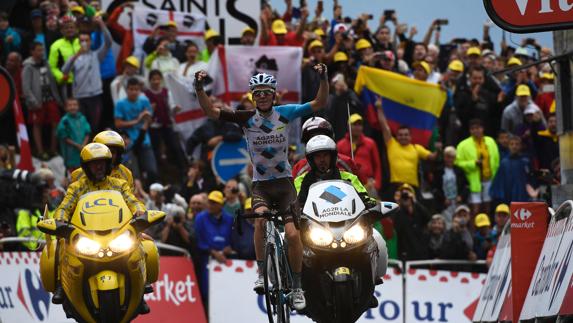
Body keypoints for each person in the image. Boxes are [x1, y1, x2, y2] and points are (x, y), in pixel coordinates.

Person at [194, 62, 329, 310]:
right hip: (261, 186)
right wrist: (199, 88)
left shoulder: (285, 113)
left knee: (292, 234)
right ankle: (260, 272)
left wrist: (323, 79)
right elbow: (212, 112)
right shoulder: (246, 118)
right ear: (252, 97)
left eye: (267, 92)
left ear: (274, 95)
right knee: (259, 221)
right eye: (258, 93)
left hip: (284, 184)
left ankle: (298, 287)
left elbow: (318, 104)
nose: (263, 96)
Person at [293, 135, 387, 307]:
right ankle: (296, 287)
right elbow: (295, 204)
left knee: (377, 240)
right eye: (318, 156)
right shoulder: (300, 181)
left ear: (333, 156)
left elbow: (365, 198)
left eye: (325, 155)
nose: (322, 160)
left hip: (347, 228)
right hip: (315, 229)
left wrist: (374, 205)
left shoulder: (348, 177)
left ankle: (372, 282)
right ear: (311, 160)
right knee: (290, 241)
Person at [52, 143, 145, 304]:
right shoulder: (77, 187)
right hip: (86, 235)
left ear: (108, 164)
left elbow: (133, 201)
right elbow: (64, 207)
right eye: (94, 163)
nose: (99, 166)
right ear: (86, 167)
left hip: (116, 233)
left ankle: (142, 287)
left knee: (144, 244)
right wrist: (59, 219)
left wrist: (140, 211)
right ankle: (60, 283)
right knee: (61, 243)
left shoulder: (119, 184)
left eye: (102, 162)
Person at [61, 16, 111, 131]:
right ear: (78, 42)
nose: (84, 43)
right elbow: (64, 71)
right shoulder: (74, 57)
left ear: (90, 41)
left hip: (95, 96)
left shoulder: (96, 55)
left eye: (86, 40)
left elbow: (108, 43)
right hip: (80, 97)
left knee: (94, 127)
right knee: (82, 128)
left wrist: (102, 25)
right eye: (82, 40)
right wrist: (76, 55)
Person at [378, 100, 439, 190]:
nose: (403, 137)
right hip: (395, 186)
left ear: (410, 137)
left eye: (406, 135)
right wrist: (379, 108)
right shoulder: (391, 144)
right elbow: (384, 125)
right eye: (401, 135)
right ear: (397, 136)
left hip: (413, 187)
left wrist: (438, 149)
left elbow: (432, 157)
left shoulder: (416, 148)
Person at [22, 41, 63, 160]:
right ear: (32, 52)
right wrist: (33, 101)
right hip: (37, 101)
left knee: (55, 123)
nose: (41, 52)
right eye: (38, 50)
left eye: (42, 50)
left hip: (50, 98)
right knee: (37, 125)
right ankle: (40, 151)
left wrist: (57, 99)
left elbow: (52, 82)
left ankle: (53, 149)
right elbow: (26, 87)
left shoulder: (46, 63)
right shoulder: (27, 66)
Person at [291, 116, 362, 183]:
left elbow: (360, 186)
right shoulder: (299, 167)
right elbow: (293, 193)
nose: (318, 140)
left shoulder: (346, 162)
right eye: (313, 137)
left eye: (322, 136)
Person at [143, 69, 187, 175]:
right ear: (150, 80)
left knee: (175, 146)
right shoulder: (146, 94)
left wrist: (175, 108)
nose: (156, 81)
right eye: (153, 79)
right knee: (156, 150)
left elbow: (171, 105)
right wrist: (150, 110)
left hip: (167, 124)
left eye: (158, 79)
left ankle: (183, 170)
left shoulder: (166, 92)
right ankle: (158, 174)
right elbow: (145, 111)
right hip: (154, 126)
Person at [115, 77, 158, 183]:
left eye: (136, 89)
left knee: (152, 170)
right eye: (131, 89)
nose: (134, 92)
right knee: (133, 175)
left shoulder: (144, 101)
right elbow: (118, 124)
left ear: (140, 90)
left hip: (144, 141)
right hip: (129, 144)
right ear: (126, 90)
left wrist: (148, 117)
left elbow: (150, 119)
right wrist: (138, 120)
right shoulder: (120, 104)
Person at [194, 191, 234, 301]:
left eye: (214, 203)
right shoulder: (200, 218)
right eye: (210, 202)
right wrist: (213, 252)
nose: (211, 205)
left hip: (225, 258)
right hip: (206, 259)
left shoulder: (229, 219)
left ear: (221, 205)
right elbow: (198, 240)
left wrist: (229, 247)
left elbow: (232, 238)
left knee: (225, 291)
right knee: (206, 291)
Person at [455, 119, 500, 215]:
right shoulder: (463, 145)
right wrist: (473, 163)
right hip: (473, 181)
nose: (476, 131)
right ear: (470, 131)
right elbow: (457, 163)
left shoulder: (491, 141)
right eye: (473, 129)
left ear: (482, 129)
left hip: (489, 179)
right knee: (475, 209)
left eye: (478, 128)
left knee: (488, 208)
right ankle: (473, 230)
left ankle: (487, 228)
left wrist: (495, 177)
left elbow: (496, 160)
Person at [336, 114, 383, 193]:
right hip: (348, 182)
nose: (357, 127)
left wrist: (377, 184)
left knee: (373, 204)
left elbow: (377, 165)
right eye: (354, 124)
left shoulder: (370, 143)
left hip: (368, 183)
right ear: (348, 127)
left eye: (359, 125)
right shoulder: (340, 144)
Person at [391, 183, 432, 260]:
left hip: (421, 255)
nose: (406, 197)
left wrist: (415, 201)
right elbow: (395, 227)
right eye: (403, 195)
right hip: (405, 256)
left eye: (408, 194)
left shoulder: (419, 211)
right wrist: (398, 204)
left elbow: (429, 218)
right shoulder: (398, 213)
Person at [490, 135, 535, 204]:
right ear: (508, 146)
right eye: (512, 144)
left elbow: (530, 179)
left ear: (521, 146)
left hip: (523, 197)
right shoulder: (504, 163)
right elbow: (499, 182)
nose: (514, 146)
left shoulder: (525, 162)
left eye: (517, 144)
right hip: (507, 197)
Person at [431, 146, 469, 224]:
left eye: (452, 157)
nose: (450, 160)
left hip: (457, 203)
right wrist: (443, 199)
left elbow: (466, 186)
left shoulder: (459, 171)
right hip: (444, 204)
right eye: (448, 157)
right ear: (444, 157)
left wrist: (461, 196)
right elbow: (435, 188)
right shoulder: (438, 171)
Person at [56, 98, 91, 172]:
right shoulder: (65, 120)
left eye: (75, 105)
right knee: (72, 169)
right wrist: (77, 145)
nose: (72, 107)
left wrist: (83, 144)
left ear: (78, 106)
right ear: (66, 108)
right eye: (70, 105)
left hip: (82, 147)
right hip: (70, 150)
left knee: (83, 166)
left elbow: (87, 132)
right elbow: (63, 136)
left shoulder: (82, 118)